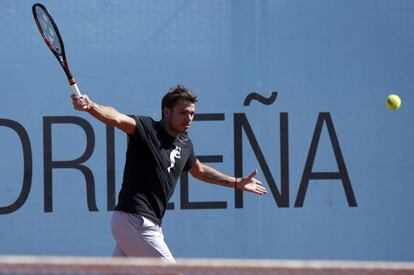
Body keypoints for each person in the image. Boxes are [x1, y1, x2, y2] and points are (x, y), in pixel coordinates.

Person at [71, 84, 268, 263]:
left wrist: (236, 182)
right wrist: (90, 106)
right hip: (136, 219)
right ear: (167, 111)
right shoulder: (147, 129)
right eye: (183, 113)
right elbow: (116, 117)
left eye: (192, 114)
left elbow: (199, 171)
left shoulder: (185, 144)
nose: (189, 118)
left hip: (142, 224)